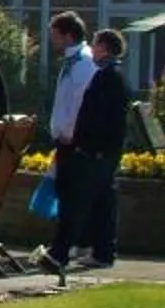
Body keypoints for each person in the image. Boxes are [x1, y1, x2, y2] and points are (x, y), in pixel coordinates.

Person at [43, 27, 132, 276]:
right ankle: (103, 252)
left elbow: (97, 117)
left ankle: (58, 254)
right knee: (103, 204)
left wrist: (82, 143)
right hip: (107, 152)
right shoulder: (117, 75)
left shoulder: (106, 77)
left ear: (104, 46)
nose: (92, 48)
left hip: (95, 152)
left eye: (95, 44)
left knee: (75, 202)